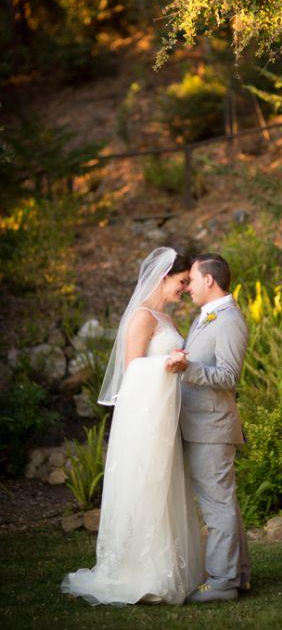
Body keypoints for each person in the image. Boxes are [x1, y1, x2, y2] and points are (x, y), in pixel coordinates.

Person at [61, 247, 204, 606]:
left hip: (164, 416)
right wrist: (166, 365)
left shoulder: (168, 319)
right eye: (182, 281)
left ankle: (171, 568)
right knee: (145, 485)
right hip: (143, 420)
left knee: (166, 485)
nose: (186, 289)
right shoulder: (143, 317)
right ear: (164, 276)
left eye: (189, 283)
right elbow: (132, 369)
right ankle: (139, 571)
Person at [168, 252, 251, 603]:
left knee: (218, 507)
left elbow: (229, 376)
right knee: (222, 504)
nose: (187, 287)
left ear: (209, 280)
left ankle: (222, 583)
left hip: (212, 428)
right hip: (199, 425)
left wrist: (187, 368)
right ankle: (239, 575)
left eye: (191, 279)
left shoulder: (229, 319)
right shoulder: (209, 317)